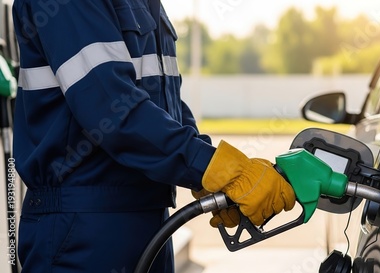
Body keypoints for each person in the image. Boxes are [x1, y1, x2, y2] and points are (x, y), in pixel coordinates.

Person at [11, 1, 296, 272]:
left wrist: (209, 176)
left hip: (151, 221)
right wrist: (211, 167)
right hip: (82, 227)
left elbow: (162, 105)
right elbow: (110, 107)